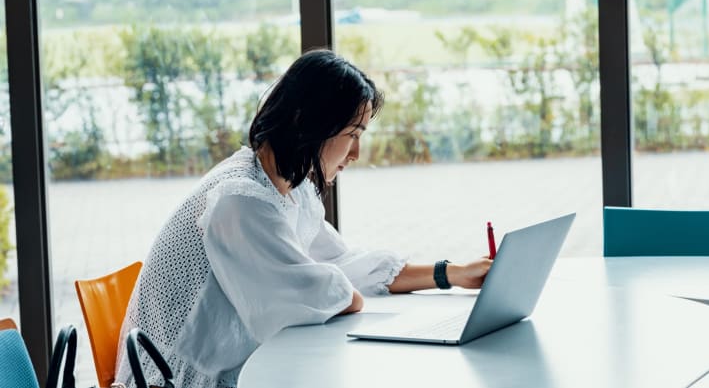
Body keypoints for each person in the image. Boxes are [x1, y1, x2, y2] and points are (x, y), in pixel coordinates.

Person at [114, 49, 493, 388]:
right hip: (182, 380)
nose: (357, 152)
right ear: (309, 123)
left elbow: (342, 266)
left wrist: (452, 274)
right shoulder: (241, 201)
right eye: (353, 134)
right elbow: (312, 297)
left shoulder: (288, 187)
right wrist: (345, 293)